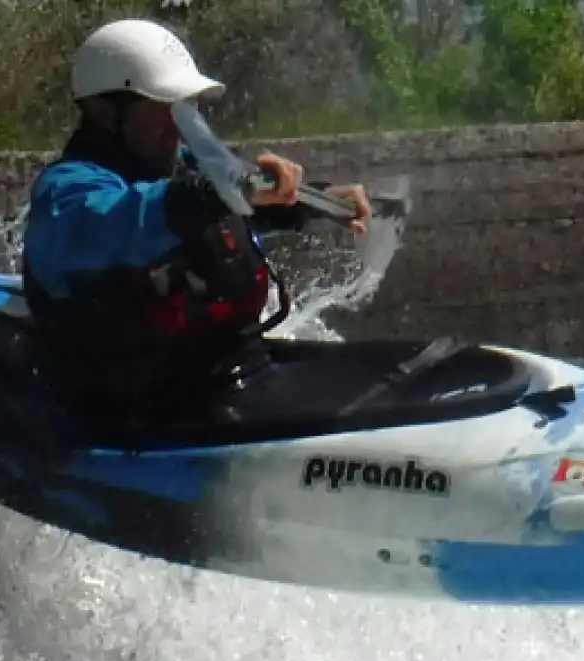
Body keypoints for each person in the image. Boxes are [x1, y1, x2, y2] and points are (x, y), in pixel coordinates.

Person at [20, 18, 373, 433]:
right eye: (162, 109)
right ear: (103, 110)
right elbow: (122, 221)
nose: (178, 127)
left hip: (225, 382)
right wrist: (211, 193)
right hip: (138, 417)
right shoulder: (67, 194)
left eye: (185, 109)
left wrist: (312, 201)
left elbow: (233, 201)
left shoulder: (180, 171)